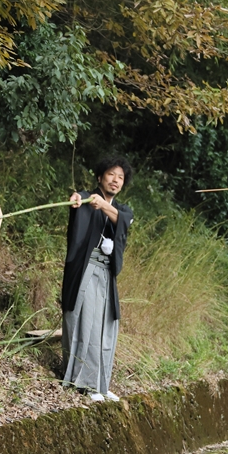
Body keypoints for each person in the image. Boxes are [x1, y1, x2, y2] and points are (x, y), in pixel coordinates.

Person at [61, 157, 134, 402]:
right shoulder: (86, 199)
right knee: (86, 324)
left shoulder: (121, 210)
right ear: (100, 177)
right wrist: (77, 198)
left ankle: (101, 384)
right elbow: (78, 197)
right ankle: (83, 383)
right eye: (111, 174)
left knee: (106, 327)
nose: (115, 180)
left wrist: (102, 205)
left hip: (106, 275)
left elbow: (124, 220)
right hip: (86, 270)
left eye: (120, 177)